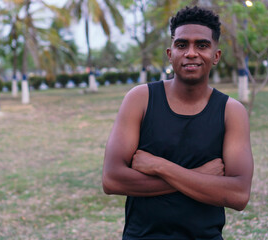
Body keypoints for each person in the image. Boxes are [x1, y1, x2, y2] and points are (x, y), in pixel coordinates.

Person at [102, 6, 254, 240]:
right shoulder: (140, 99)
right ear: (170, 53)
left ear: (216, 55)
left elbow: (238, 195)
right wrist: (201, 176)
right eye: (182, 45)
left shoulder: (231, 111)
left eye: (202, 45)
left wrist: (160, 166)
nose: (191, 53)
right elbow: (112, 179)